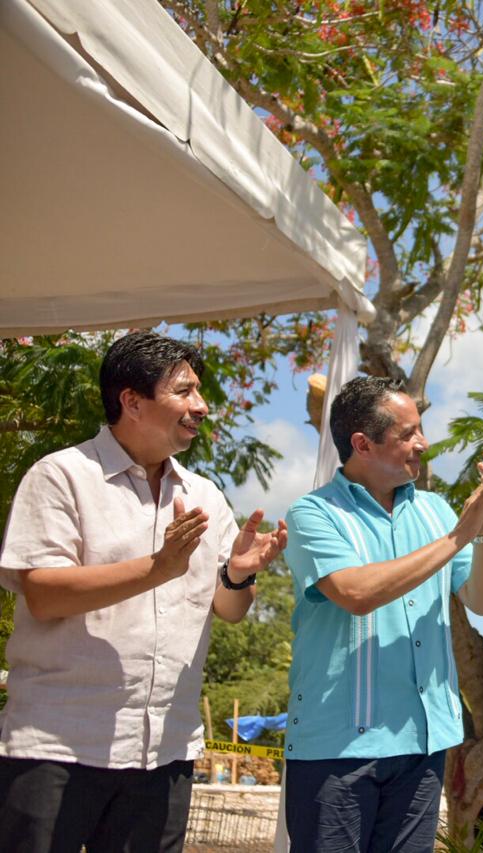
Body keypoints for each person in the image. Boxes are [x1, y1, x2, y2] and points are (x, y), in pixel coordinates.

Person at [0, 331, 286, 851]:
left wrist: (239, 575)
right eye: (184, 391)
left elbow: (229, 610)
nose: (201, 406)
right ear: (131, 401)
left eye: (199, 391)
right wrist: (157, 568)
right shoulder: (62, 476)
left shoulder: (205, 496)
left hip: (164, 752)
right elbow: (43, 594)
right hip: (58, 744)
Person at [282, 376, 483, 851]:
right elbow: (356, 592)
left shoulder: (436, 511)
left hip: (422, 748)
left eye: (420, 429)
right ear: (362, 444)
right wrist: (459, 537)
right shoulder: (313, 514)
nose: (422, 443)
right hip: (336, 751)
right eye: (407, 434)